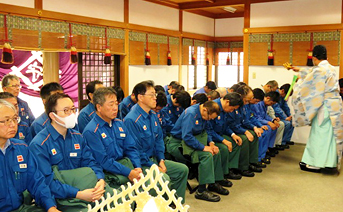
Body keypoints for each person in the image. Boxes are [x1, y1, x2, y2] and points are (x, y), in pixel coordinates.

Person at [29, 93, 109, 212]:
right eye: (66, 110)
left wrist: (100, 179)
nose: (71, 114)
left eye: (73, 109)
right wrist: (78, 194)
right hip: (60, 197)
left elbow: (91, 162)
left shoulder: (77, 136)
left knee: (118, 198)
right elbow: (46, 182)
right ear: (53, 115)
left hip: (86, 188)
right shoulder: (39, 144)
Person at [124, 81, 188, 204]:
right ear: (140, 97)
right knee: (164, 178)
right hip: (141, 164)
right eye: (151, 95)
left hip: (154, 159)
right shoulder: (132, 119)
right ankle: (158, 205)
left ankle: (174, 204)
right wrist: (155, 166)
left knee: (182, 170)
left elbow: (159, 139)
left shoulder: (152, 114)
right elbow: (135, 150)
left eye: (155, 94)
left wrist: (161, 160)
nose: (155, 98)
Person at [0, 99, 60, 212]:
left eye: (14, 119)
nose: (13, 125)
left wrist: (51, 207)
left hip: (21, 208)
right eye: (7, 120)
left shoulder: (21, 148)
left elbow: (36, 182)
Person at [290, 45, 343, 172]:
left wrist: (298, 83)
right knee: (330, 135)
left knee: (319, 133)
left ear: (314, 58)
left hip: (325, 106)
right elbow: (312, 73)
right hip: (335, 105)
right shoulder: (330, 68)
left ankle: (316, 163)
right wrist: (299, 70)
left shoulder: (319, 70)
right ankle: (330, 162)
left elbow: (309, 84)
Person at [168, 101, 230, 202]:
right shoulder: (191, 113)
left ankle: (213, 183)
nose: (209, 120)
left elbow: (206, 130)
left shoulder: (204, 113)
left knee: (215, 152)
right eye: (209, 118)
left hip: (193, 141)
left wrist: (211, 143)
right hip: (178, 144)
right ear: (205, 110)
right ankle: (201, 191)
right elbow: (186, 136)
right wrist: (203, 147)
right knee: (206, 155)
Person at [83, 87, 142, 188]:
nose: (115, 108)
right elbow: (104, 161)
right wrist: (129, 172)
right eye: (111, 104)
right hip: (108, 173)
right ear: (99, 107)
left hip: (126, 166)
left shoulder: (119, 124)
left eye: (116, 103)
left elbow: (131, 148)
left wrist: (137, 167)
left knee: (154, 183)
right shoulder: (92, 131)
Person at [226, 86, 262, 177]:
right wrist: (245, 131)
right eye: (247, 100)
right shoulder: (233, 105)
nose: (248, 102)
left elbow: (246, 120)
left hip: (238, 127)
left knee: (254, 134)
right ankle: (242, 167)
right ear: (241, 97)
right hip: (231, 130)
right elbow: (232, 125)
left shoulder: (244, 106)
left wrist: (254, 127)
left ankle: (252, 161)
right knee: (244, 139)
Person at [207, 92, 244, 180]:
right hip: (210, 137)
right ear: (227, 102)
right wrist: (223, 140)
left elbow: (225, 126)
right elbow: (208, 130)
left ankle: (229, 170)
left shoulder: (225, 109)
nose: (232, 111)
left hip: (219, 134)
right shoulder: (214, 107)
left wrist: (233, 134)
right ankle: (219, 177)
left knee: (236, 142)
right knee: (223, 148)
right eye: (232, 109)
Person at [252, 91, 284, 157]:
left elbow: (265, 115)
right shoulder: (257, 104)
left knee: (275, 127)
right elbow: (257, 118)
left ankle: (269, 148)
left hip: (259, 122)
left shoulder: (265, 105)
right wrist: (268, 122)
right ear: (267, 98)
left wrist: (273, 120)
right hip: (256, 123)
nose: (270, 105)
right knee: (268, 129)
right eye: (271, 103)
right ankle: (261, 154)